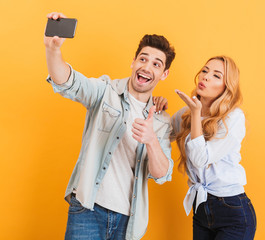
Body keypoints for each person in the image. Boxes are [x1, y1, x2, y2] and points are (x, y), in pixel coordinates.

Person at [44, 12, 176, 240]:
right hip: (87, 208)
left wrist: (152, 140)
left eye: (156, 64)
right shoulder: (105, 91)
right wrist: (53, 49)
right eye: (143, 59)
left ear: (163, 74)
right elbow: (69, 82)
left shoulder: (161, 121)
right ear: (133, 62)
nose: (147, 67)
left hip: (128, 221)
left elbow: (162, 174)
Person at [155, 55, 256, 239]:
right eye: (205, 70)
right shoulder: (186, 114)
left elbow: (201, 158)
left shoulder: (233, 118)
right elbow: (159, 135)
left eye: (217, 76)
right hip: (201, 207)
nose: (206, 77)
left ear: (227, 88)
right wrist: (156, 109)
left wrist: (195, 113)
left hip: (231, 210)